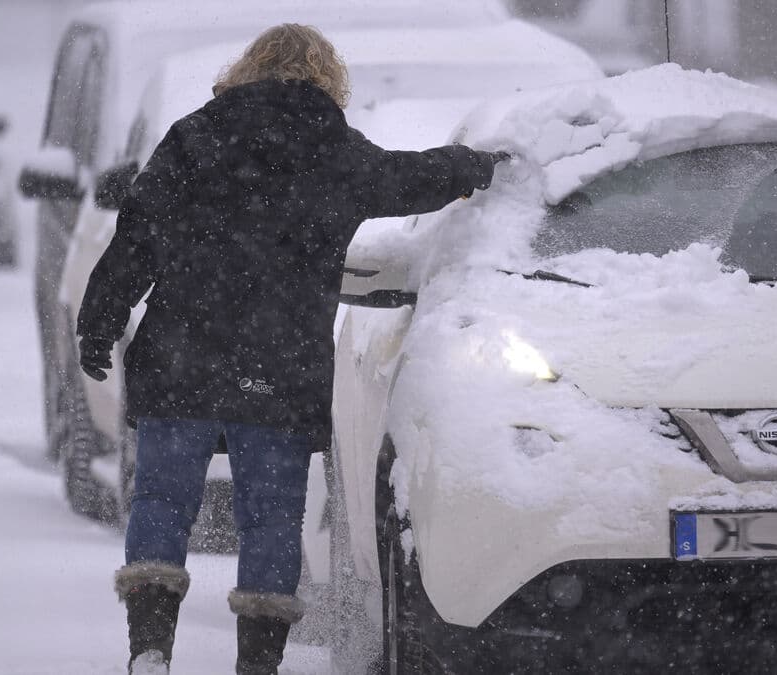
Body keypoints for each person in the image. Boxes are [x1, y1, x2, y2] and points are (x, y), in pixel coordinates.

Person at [76, 23, 504, 675]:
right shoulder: (328, 148)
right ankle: (258, 662)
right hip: (276, 366)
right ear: (327, 79)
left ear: (248, 68)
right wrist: (473, 168)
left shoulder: (195, 135)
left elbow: (138, 232)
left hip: (180, 352)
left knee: (162, 499)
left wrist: (99, 321)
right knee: (271, 517)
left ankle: (150, 647)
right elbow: (403, 179)